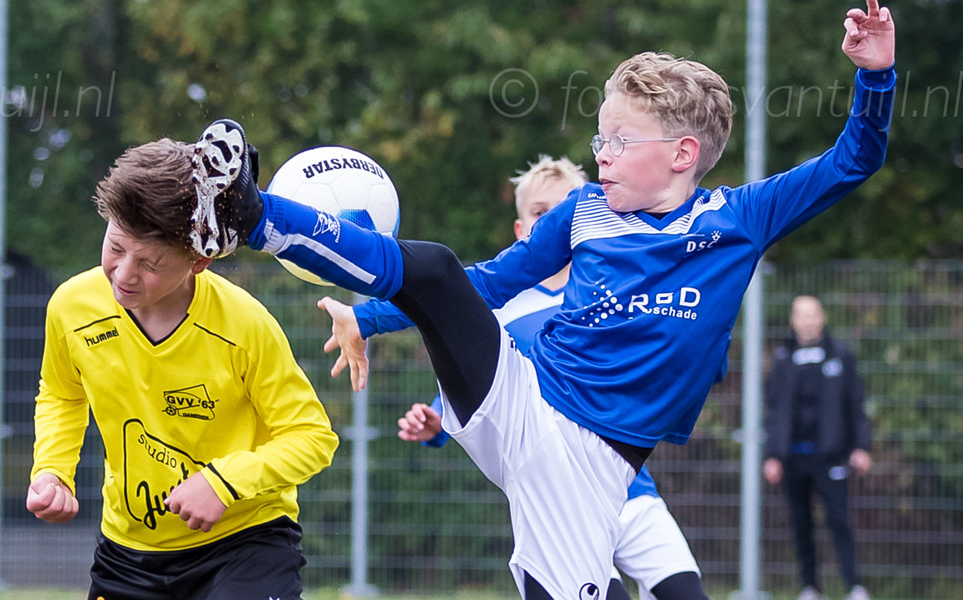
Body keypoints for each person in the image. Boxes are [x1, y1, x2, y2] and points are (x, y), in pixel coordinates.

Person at [184, 2, 895, 597]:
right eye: (600, 137)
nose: (602, 152)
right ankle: (247, 212)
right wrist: (366, 318)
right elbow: (492, 281)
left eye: (621, 140)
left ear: (682, 154)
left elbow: (853, 160)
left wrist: (876, 75)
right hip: (524, 395)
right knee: (438, 271)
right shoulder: (585, 211)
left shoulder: (740, 218)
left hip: (590, 459)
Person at [373, 156, 708, 600]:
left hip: (631, 492)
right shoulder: (502, 310)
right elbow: (480, 384)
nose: (551, 220)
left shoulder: (616, 292)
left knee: (686, 593)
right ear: (520, 229)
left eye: (562, 209)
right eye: (538, 212)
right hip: (563, 501)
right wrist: (436, 422)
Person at [26, 138, 340, 600]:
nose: (123, 274)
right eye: (115, 247)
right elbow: (62, 393)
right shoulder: (71, 307)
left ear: (199, 261)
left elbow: (311, 437)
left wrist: (224, 483)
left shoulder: (245, 326)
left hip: (245, 543)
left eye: (149, 263)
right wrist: (52, 471)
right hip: (130, 550)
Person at [763, 295, 872, 600]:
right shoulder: (783, 359)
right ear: (793, 321)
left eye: (813, 314)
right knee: (801, 524)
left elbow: (855, 404)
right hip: (793, 457)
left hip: (830, 456)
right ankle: (810, 587)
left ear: (822, 318)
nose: (808, 321)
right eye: (802, 315)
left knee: (839, 520)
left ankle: (853, 587)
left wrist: (861, 447)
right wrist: (772, 455)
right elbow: (774, 411)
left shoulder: (840, 355)